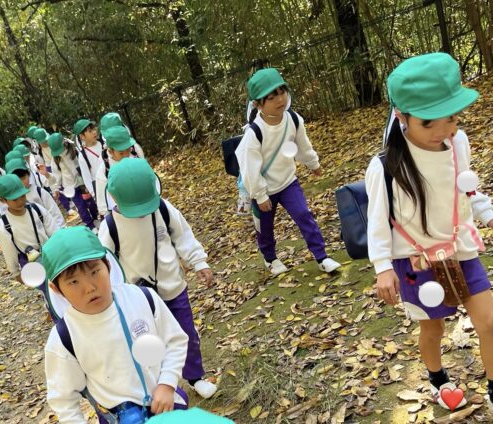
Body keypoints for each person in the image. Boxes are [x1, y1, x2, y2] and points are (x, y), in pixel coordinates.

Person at [366, 52, 493, 410]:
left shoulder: (458, 143)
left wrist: (486, 213)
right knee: (433, 328)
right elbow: (377, 221)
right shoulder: (385, 167)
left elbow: (467, 191)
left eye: (451, 117)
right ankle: (438, 379)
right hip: (416, 260)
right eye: (428, 122)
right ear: (401, 116)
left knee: (489, 321)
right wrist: (383, 268)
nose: (442, 130)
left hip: (460, 247)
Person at [43, 226, 189, 423]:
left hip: (165, 404)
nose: (90, 287)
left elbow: (175, 341)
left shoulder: (142, 298)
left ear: (108, 266)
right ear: (56, 288)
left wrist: (168, 383)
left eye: (95, 272)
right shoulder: (63, 338)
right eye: (74, 282)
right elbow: (63, 400)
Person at [98, 158, 217, 399]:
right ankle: (160, 387)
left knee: (186, 334)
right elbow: (106, 266)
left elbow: (183, 235)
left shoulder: (162, 209)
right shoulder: (110, 227)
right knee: (147, 344)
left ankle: (195, 376)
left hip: (173, 287)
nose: (142, 213)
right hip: (139, 300)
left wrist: (199, 261)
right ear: (113, 197)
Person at [235, 68, 341, 275]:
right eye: (271, 97)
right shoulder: (254, 133)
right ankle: (270, 258)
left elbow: (303, 145)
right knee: (265, 227)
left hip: (288, 182)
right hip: (264, 189)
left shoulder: (293, 119)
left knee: (304, 215)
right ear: (257, 104)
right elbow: (249, 168)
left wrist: (313, 163)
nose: (280, 99)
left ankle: (321, 256)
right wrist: (260, 194)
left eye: (282, 92)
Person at [0, 174, 59, 283]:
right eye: (15, 199)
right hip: (30, 262)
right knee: (48, 289)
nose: (20, 201)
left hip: (51, 254)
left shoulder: (36, 209)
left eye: (22, 196)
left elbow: (54, 232)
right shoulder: (4, 225)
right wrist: (16, 272)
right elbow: (9, 251)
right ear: (2, 200)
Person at [47, 132, 98, 230]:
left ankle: (95, 218)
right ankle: (90, 226)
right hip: (70, 187)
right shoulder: (55, 160)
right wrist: (56, 189)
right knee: (81, 207)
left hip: (82, 183)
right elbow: (57, 176)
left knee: (90, 202)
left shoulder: (73, 150)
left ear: (64, 142)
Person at [5, 158, 65, 228]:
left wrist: (60, 229)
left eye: (23, 178)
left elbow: (55, 213)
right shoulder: (11, 200)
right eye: (17, 180)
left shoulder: (39, 192)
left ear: (29, 174)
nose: (21, 182)